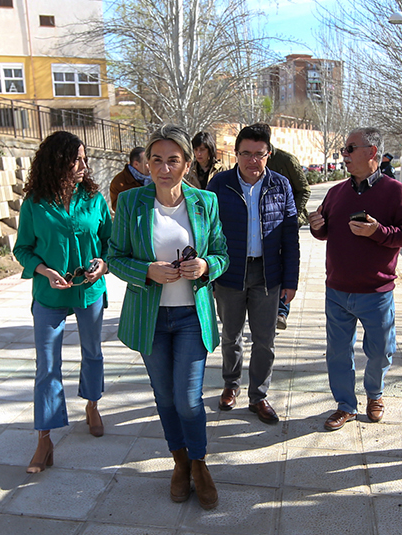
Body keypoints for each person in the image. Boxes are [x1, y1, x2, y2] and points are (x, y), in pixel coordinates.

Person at [108, 126, 229, 509]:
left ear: (187, 163)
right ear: (146, 162)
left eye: (173, 160)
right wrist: (146, 270)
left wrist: (207, 265)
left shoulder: (205, 202)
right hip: (151, 318)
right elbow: (113, 256)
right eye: (156, 159)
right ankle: (179, 463)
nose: (163, 168)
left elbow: (223, 254)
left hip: (193, 316)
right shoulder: (130, 203)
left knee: (189, 399)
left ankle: (199, 462)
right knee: (165, 397)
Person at [14, 131, 113, 474]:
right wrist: (42, 270)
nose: (85, 166)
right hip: (49, 294)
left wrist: (102, 264)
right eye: (78, 159)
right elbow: (22, 248)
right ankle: (44, 438)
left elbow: (109, 243)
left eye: (86, 159)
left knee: (93, 352)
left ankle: (92, 404)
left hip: (89, 291)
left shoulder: (94, 199)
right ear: (58, 161)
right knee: (47, 365)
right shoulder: (35, 204)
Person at [309, 127, 402, 431]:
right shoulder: (336, 193)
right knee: (338, 352)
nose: (343, 155)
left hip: (376, 292)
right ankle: (346, 405)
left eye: (350, 149)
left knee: (381, 350)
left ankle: (375, 394)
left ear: (372, 152)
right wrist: (317, 225)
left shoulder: (396, 192)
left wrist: (378, 232)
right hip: (337, 290)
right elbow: (324, 232)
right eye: (344, 150)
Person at [208, 123, 299, 424]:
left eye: (259, 154)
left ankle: (258, 396)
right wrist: (208, 274)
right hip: (230, 272)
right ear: (235, 154)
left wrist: (291, 280)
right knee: (231, 334)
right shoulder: (219, 185)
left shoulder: (281, 186)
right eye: (245, 153)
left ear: (268, 154)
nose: (252, 161)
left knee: (265, 339)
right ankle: (230, 385)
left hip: (267, 274)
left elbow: (290, 236)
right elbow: (207, 233)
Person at [264, 140, 310, 330]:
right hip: (263, 224)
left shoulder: (286, 160)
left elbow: (304, 189)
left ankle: (281, 311)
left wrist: (294, 217)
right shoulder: (247, 159)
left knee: (285, 264)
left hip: (285, 221)